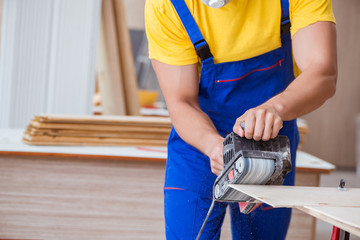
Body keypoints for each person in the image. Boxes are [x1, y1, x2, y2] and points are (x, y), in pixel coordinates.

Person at [145, 0, 337, 239]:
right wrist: (213, 146)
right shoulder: (167, 5)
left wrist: (274, 109)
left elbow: (323, 73)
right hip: (200, 145)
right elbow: (181, 102)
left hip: (271, 146)